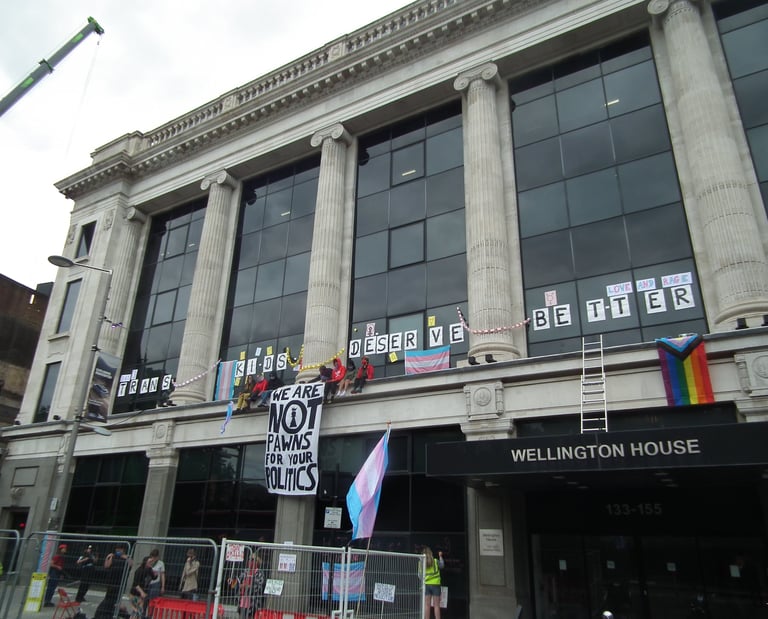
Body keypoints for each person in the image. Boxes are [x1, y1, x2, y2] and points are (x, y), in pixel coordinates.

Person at [95, 543, 132, 619]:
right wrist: (108, 557)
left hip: (120, 582)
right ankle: (114, 613)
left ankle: (119, 613)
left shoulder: (126, 557)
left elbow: (131, 564)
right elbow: (106, 566)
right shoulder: (113, 557)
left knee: (116, 600)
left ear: (123, 550)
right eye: (117, 549)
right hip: (111, 581)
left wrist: (125, 557)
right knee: (110, 599)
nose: (118, 550)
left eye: (120, 549)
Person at [423, 546, 444, 619]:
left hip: (426, 585)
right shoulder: (435, 561)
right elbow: (442, 566)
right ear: (431, 554)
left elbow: (419, 575)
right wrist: (440, 556)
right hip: (436, 585)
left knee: (427, 605)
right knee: (436, 605)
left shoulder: (421, 563)